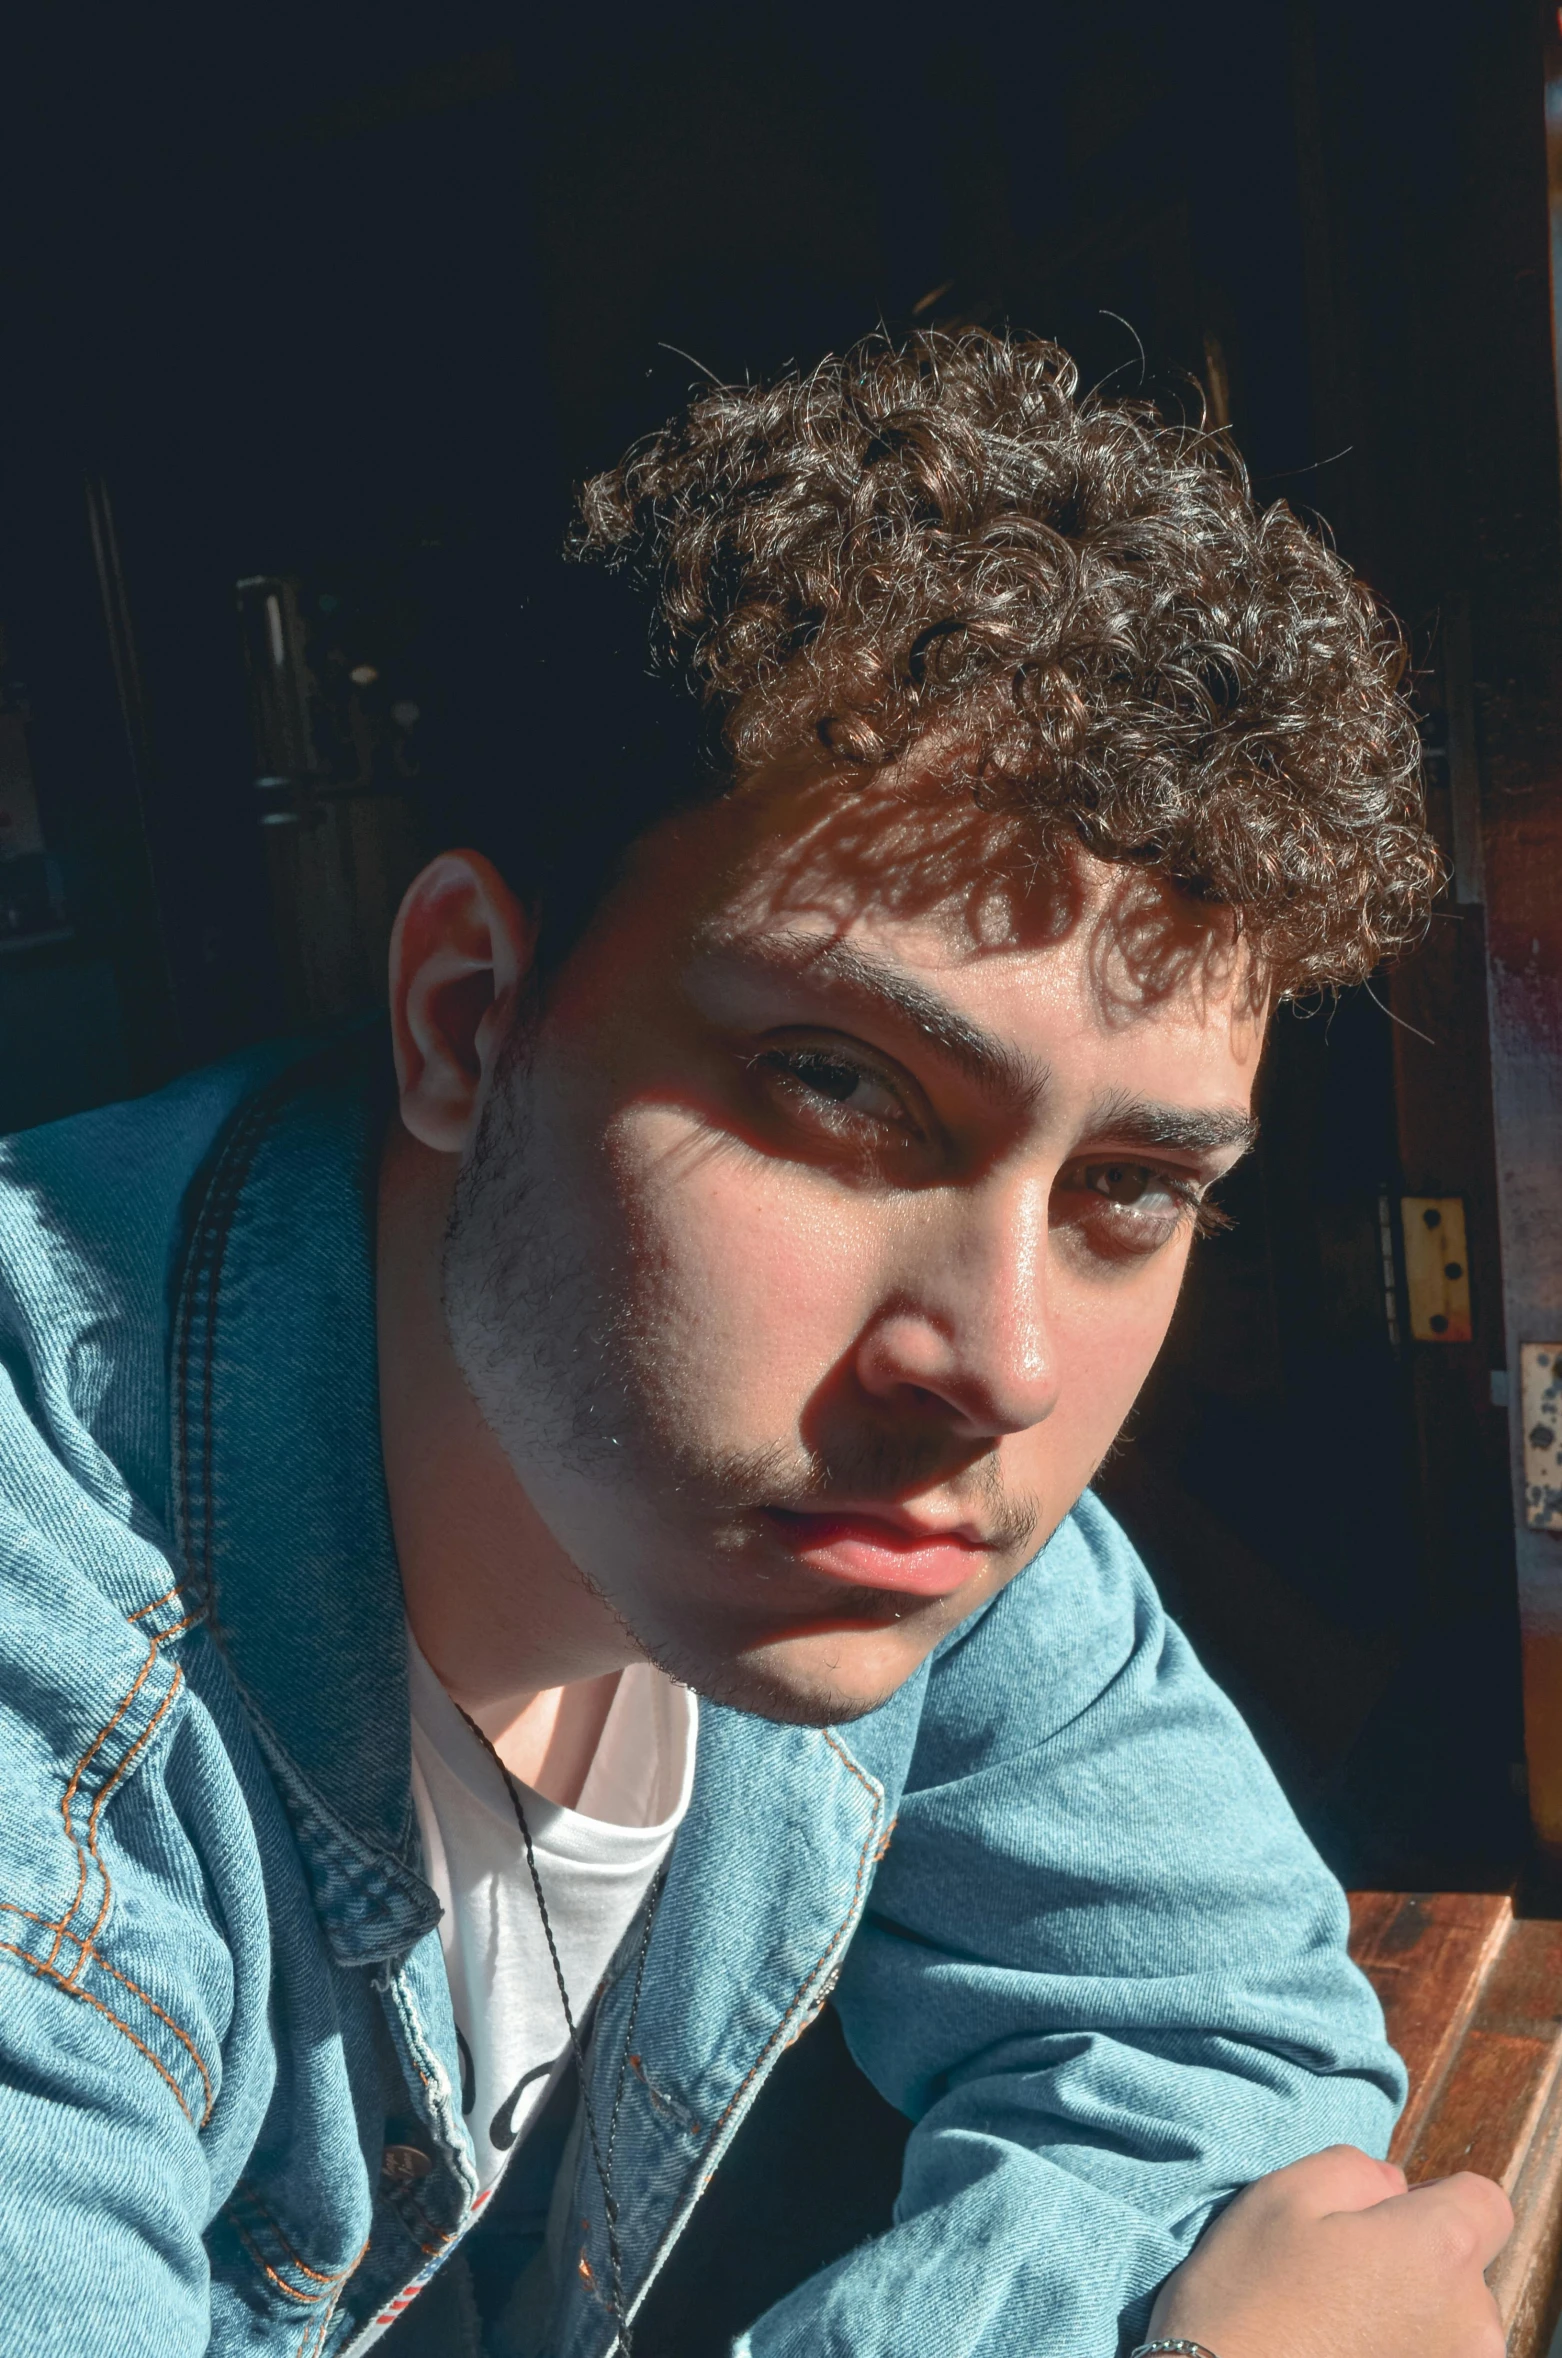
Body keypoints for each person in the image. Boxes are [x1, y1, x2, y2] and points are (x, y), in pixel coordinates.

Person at [0, 330, 1506, 2358]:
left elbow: (1223, 2039)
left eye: (1126, 1192)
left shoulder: (866, 1488)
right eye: (836, 1086)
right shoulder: (55, 1687)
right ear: (463, 1016)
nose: (999, 1362)